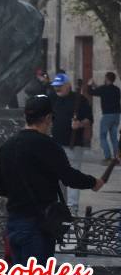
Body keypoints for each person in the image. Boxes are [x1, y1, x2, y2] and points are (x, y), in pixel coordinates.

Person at [0, 93, 105, 275]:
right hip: (37, 227)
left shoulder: (7, 146)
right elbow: (68, 176)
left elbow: (0, 188)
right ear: (47, 118)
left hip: (15, 224)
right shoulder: (48, 146)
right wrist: (93, 181)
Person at [50, 73, 93, 212]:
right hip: (55, 144)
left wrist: (80, 124)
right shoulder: (52, 99)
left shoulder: (79, 100)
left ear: (68, 85)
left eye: (60, 86)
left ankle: (72, 206)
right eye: (55, 86)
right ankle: (57, 204)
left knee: (73, 175)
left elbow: (89, 119)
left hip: (72, 145)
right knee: (54, 175)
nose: (57, 89)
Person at [89, 72, 120, 162]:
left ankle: (108, 157)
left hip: (107, 116)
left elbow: (91, 92)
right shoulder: (117, 89)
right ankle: (117, 157)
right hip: (116, 115)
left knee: (103, 136)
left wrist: (89, 85)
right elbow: (102, 90)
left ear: (107, 78)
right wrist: (96, 85)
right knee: (114, 138)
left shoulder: (104, 89)